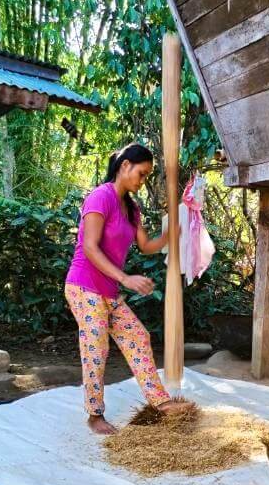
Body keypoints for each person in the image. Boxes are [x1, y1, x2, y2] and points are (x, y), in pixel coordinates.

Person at [65, 143, 188, 435]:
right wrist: (126, 279)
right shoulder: (101, 197)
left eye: (146, 176)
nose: (142, 181)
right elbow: (90, 248)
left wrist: (173, 233)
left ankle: (160, 402)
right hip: (83, 285)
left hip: (107, 290)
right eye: (141, 174)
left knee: (138, 336)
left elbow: (146, 247)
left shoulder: (131, 209)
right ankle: (95, 415)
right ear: (124, 166)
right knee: (96, 346)